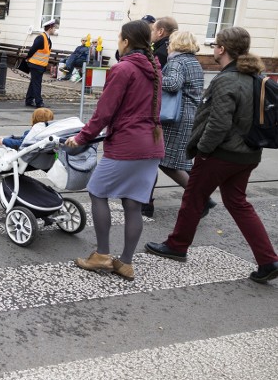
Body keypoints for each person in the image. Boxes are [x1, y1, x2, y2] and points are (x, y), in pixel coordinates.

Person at [145, 27, 278, 284]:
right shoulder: (253, 76)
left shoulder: (227, 79)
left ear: (222, 49)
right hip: (248, 153)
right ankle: (268, 259)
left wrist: (203, 150)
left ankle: (177, 245)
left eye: (216, 45)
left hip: (221, 153)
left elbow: (218, 123)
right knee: (238, 203)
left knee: (193, 198)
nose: (214, 49)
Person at [66, 20, 164, 281]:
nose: (117, 41)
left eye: (119, 37)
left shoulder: (123, 69)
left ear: (126, 41)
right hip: (152, 144)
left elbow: (104, 112)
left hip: (127, 145)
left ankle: (102, 255)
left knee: (97, 191)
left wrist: (82, 137)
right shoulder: (155, 67)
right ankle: (126, 263)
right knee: (133, 205)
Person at [143, 30, 216, 218]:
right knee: (176, 162)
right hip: (189, 115)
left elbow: (173, 84)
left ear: (178, 44)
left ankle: (201, 199)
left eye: (170, 43)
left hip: (176, 118)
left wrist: (153, 75)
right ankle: (201, 198)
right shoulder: (193, 61)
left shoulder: (177, 61)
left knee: (168, 163)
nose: (167, 46)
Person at [25, 18, 58, 107]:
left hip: (40, 65)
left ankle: (28, 100)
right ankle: (39, 102)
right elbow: (32, 49)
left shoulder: (47, 38)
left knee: (34, 83)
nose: (55, 29)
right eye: (54, 28)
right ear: (50, 28)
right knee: (37, 84)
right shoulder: (41, 37)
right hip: (36, 64)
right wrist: (27, 58)